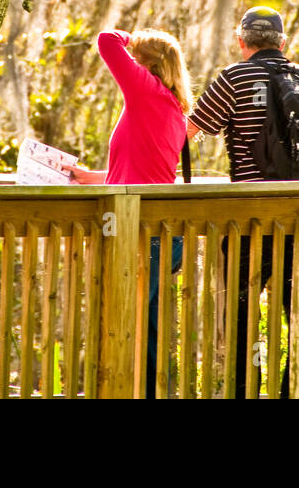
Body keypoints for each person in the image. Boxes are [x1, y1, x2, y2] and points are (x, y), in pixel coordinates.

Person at [187, 6, 299, 398]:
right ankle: (296, 390)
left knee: (243, 312)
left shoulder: (235, 76)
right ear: (283, 43)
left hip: (250, 218)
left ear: (241, 40)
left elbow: (189, 130)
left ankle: (247, 388)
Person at [66, 28, 190, 397]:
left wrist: (131, 37)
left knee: (124, 322)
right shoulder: (169, 105)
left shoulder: (147, 92)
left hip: (143, 231)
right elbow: (143, 168)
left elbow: (106, 40)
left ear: (144, 64)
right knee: (143, 327)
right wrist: (90, 178)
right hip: (155, 230)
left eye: (135, 59)